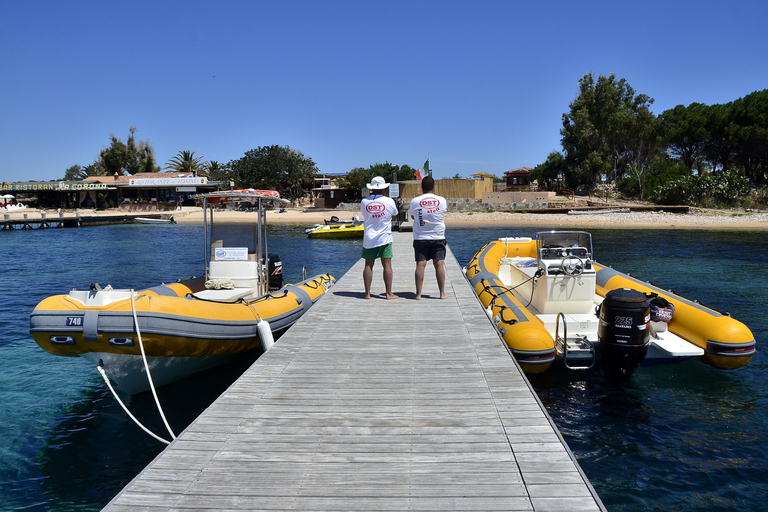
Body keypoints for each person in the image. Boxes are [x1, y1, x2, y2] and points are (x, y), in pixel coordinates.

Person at [409, 175, 448, 299]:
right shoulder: (442, 200)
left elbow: (413, 216)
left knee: (420, 264)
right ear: (434, 187)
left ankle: (418, 294)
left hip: (420, 237)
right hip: (438, 236)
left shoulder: (415, 201)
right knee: (439, 264)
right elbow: (442, 214)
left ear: (422, 187)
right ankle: (442, 293)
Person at [360, 176, 399, 300]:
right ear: (384, 188)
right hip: (385, 237)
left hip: (369, 238)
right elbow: (394, 216)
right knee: (387, 265)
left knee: (368, 265)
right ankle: (388, 293)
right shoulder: (389, 201)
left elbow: (366, 215)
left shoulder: (364, 201)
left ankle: (367, 293)